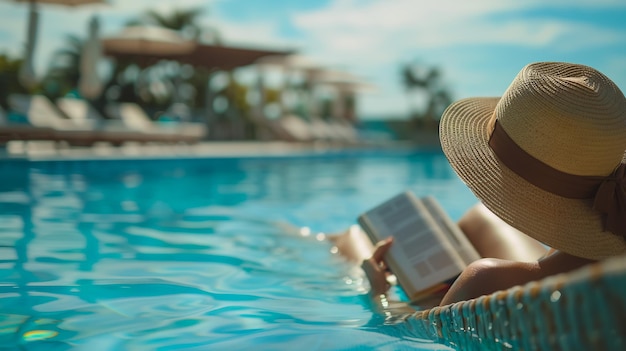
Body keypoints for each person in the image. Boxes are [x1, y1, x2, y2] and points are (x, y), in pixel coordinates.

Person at [332, 62, 626, 307]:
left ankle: (335, 243)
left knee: (355, 238)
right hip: (576, 270)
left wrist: (378, 295)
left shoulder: (486, 280)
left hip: (468, 303)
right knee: (480, 215)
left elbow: (420, 337)